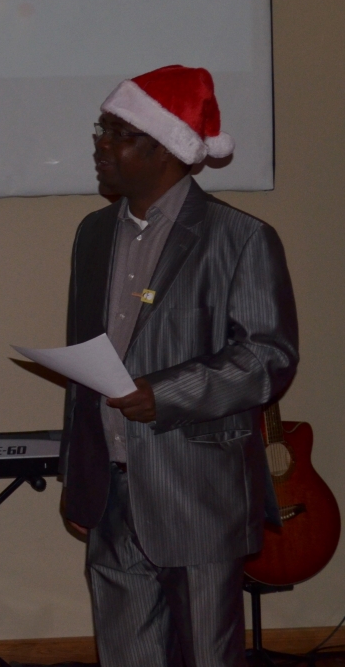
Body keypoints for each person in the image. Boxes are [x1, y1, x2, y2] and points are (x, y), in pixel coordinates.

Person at [60, 65, 299, 667]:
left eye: (118, 134)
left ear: (165, 148)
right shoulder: (93, 234)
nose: (101, 146)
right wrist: (79, 480)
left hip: (198, 494)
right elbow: (82, 373)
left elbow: (268, 357)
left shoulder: (240, 238)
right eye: (101, 130)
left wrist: (166, 393)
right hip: (110, 494)